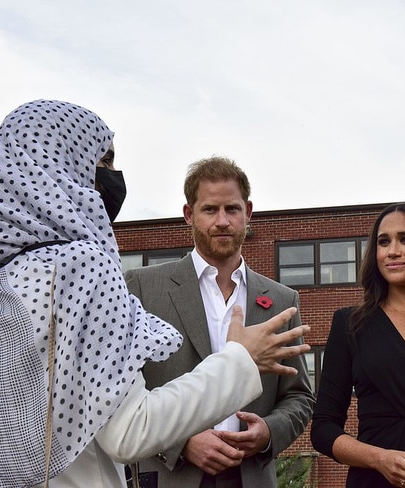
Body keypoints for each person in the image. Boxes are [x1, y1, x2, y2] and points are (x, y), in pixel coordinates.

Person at [0, 100, 311, 487]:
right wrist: (241, 360)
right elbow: (128, 431)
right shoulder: (82, 268)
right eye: (104, 161)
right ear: (61, 167)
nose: (113, 177)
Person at [124, 156, 315, 488]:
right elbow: (124, 393)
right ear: (189, 215)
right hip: (171, 474)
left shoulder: (282, 300)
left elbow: (299, 397)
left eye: (232, 209)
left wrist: (269, 432)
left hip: (250, 475)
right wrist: (180, 441)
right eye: (210, 209)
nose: (223, 221)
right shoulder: (141, 287)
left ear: (248, 212)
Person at [310, 202, 405, 488]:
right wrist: (379, 459)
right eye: (384, 242)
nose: (392, 251)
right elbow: (322, 429)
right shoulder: (350, 324)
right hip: (373, 480)